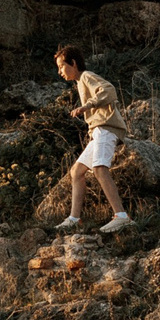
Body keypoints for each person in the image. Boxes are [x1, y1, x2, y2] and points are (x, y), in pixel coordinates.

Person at [55, 45, 135, 234]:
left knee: (99, 169)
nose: (59, 72)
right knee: (76, 172)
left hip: (105, 129)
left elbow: (109, 89)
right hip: (98, 131)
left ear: (73, 63)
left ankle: (121, 216)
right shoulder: (80, 82)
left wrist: (86, 106)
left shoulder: (86, 76)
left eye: (61, 66)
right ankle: (74, 219)